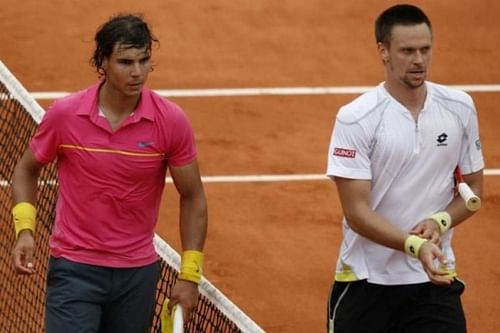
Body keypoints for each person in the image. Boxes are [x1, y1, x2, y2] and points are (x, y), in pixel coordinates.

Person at [11, 14, 207, 333]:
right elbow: (25, 170)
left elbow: (193, 196)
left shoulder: (171, 121)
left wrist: (190, 274)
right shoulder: (65, 115)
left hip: (137, 275)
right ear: (102, 61)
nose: (137, 72)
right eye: (125, 62)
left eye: (144, 61)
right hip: (74, 269)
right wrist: (25, 229)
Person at [325, 4, 483, 333]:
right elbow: (356, 212)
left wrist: (439, 221)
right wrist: (415, 246)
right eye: (407, 51)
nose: (419, 60)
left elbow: (473, 191)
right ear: (383, 52)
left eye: (425, 50)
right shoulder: (357, 118)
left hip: (434, 281)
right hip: (367, 282)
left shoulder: (459, 108)